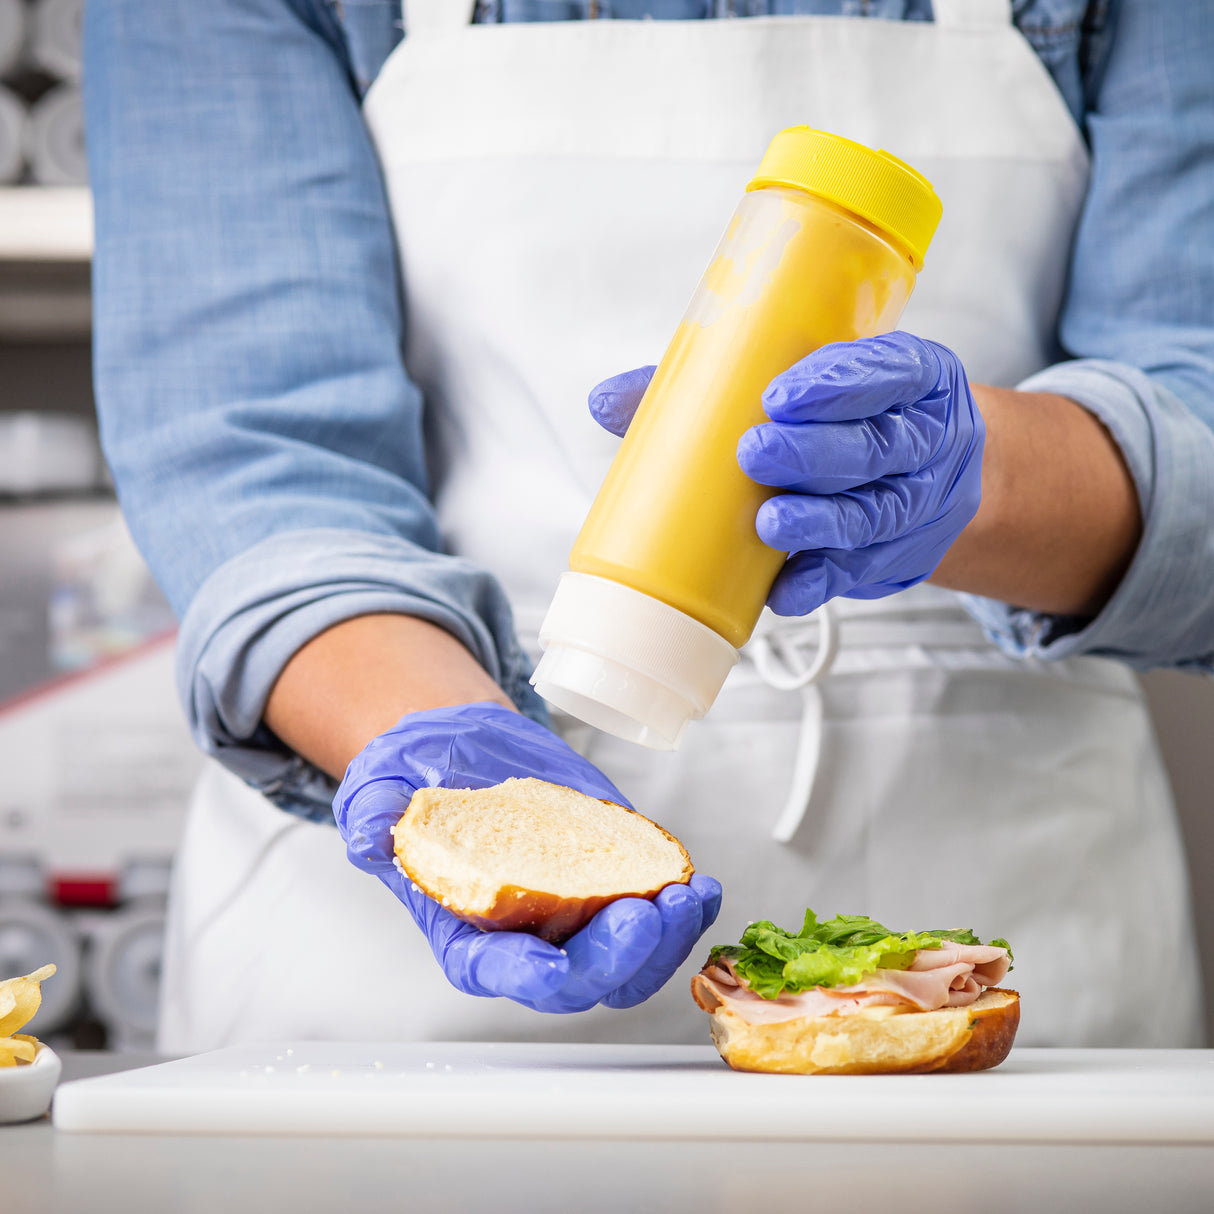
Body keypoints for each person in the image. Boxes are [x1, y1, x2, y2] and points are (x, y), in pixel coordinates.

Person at [82, 0, 1214, 1053]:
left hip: (1006, 906)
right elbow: (256, 445)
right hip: (390, 980)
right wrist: (442, 760)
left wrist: (987, 471)